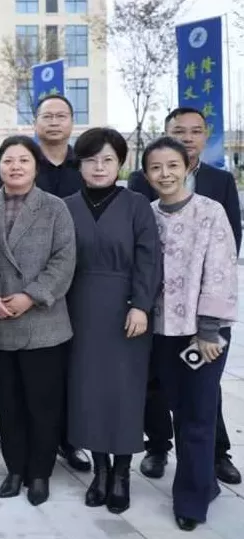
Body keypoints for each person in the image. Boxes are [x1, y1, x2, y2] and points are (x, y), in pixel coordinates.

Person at [130, 107, 242, 486]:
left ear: (187, 165)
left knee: (198, 410)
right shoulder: (144, 211)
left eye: (172, 166)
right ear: (147, 174)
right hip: (159, 329)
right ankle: (161, 451)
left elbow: (224, 265)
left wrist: (210, 327)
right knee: (167, 399)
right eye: (157, 168)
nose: (165, 174)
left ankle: (197, 488)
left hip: (202, 331)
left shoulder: (211, 208)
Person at [63, 128, 162, 516]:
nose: (99, 166)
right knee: (87, 390)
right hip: (79, 309)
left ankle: (122, 473)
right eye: (91, 159)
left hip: (127, 312)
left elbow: (149, 258)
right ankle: (99, 470)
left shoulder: (137, 204)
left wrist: (141, 305)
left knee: (124, 391)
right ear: (80, 165)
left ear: (120, 163)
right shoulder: (66, 205)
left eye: (107, 159)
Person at [0, 136, 77, 506]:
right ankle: (15, 468)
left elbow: (64, 260)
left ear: (36, 166)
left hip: (43, 323)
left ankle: (39, 473)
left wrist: (30, 296)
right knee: (9, 403)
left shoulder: (55, 208)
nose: (15, 167)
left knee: (43, 404)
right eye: (8, 161)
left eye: (23, 160)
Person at [31, 94, 90, 473]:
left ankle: (72, 441)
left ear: (72, 121)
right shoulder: (22, 161)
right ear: (35, 121)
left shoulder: (84, 164)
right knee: (36, 370)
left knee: (76, 366)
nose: (54, 121)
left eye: (61, 115)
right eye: (46, 116)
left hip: (80, 280)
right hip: (27, 285)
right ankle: (37, 440)